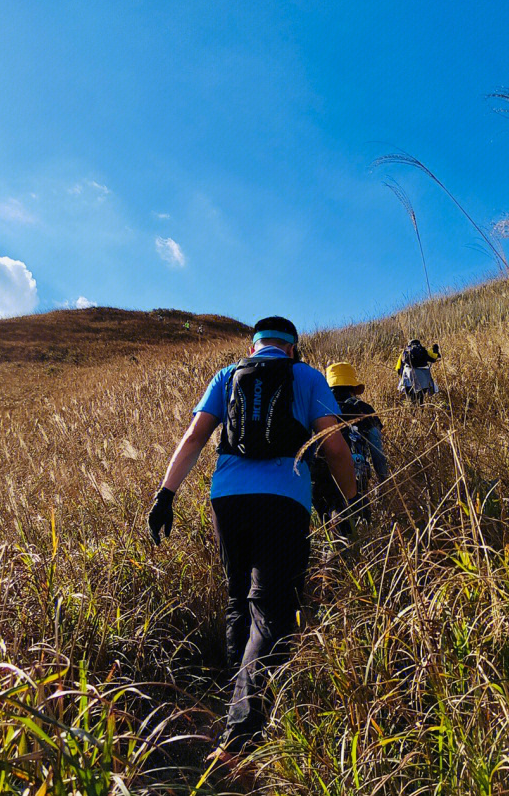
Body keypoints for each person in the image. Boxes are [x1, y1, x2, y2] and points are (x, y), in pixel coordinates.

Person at [147, 316, 359, 763]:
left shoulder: (226, 376)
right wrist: (350, 502)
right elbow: (336, 447)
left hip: (228, 498)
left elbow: (195, 436)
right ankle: (241, 735)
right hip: (284, 500)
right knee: (272, 607)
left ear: (253, 347)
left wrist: (165, 494)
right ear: (293, 349)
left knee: (237, 598)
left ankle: (233, 698)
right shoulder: (306, 376)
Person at [311, 362, 390, 540]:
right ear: (353, 387)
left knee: (331, 521)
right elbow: (377, 450)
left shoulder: (316, 407)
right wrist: (383, 480)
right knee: (356, 521)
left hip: (318, 474)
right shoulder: (363, 409)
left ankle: (333, 555)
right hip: (354, 473)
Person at [396, 339, 440, 403]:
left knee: (411, 400)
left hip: (408, 379)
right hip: (423, 380)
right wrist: (435, 350)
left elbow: (398, 368)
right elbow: (434, 358)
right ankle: (421, 409)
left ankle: (412, 410)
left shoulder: (404, 352)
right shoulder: (423, 351)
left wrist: (402, 378)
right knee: (420, 398)